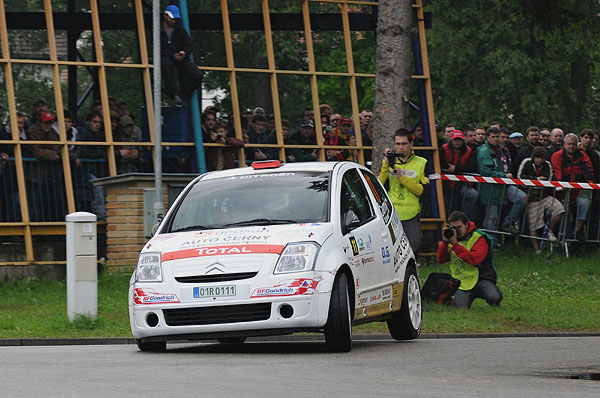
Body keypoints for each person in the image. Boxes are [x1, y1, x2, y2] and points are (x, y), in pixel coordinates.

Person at [437, 211, 502, 309]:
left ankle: (493, 300)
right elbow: (441, 260)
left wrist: (455, 245)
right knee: (460, 308)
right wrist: (445, 242)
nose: (456, 231)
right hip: (462, 281)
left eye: (459, 227)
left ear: (466, 225)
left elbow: (475, 259)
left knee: (494, 297)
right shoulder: (451, 237)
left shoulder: (479, 237)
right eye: (453, 228)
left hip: (481, 278)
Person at [378, 128, 428, 254]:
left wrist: (402, 178)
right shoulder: (390, 162)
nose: (401, 147)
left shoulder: (422, 163)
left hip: (411, 212)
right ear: (394, 145)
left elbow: (421, 190)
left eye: (404, 144)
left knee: (414, 244)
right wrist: (386, 164)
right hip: (392, 213)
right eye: (398, 144)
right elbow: (379, 185)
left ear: (411, 144)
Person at [477, 126, 527, 236]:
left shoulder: (501, 149)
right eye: (493, 137)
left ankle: (508, 223)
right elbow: (486, 171)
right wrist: (503, 175)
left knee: (522, 198)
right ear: (488, 137)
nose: (496, 139)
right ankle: (491, 242)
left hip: (504, 186)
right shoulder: (484, 151)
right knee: (491, 217)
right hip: (491, 188)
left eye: (497, 137)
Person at [517, 146, 564, 253]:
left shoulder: (547, 165)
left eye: (542, 158)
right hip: (531, 198)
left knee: (559, 209)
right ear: (533, 157)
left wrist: (538, 182)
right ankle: (537, 250)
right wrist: (536, 179)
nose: (540, 160)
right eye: (537, 157)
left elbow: (549, 179)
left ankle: (546, 230)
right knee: (533, 225)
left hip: (544, 196)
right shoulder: (526, 162)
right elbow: (520, 177)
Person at [551, 133, 595, 241]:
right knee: (564, 213)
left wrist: (591, 183)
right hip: (562, 193)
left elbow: (588, 170)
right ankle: (561, 237)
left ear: (577, 144)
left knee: (585, 204)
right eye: (569, 144)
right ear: (564, 144)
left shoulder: (582, 155)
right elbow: (557, 172)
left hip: (577, 192)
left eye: (574, 144)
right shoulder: (557, 155)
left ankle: (576, 232)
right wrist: (562, 184)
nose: (571, 147)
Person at [26, 112, 67, 221]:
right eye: (46, 123)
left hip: (47, 174)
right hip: (33, 175)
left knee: (46, 202)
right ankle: (32, 228)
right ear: (40, 122)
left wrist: (47, 152)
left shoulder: (52, 132)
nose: (48, 125)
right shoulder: (32, 131)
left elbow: (57, 148)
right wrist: (52, 154)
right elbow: (36, 151)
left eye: (50, 123)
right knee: (32, 203)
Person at [161, 4, 202, 106]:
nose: (173, 20)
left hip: (181, 58)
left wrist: (184, 52)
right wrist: (172, 55)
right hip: (167, 57)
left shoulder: (181, 30)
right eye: (171, 18)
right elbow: (158, 50)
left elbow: (188, 45)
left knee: (197, 74)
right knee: (166, 66)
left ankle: (182, 94)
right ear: (165, 16)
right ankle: (174, 95)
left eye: (174, 18)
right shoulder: (158, 31)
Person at [439, 130, 478, 220]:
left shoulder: (468, 151)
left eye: (459, 140)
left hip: (461, 184)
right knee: (447, 205)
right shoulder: (443, 149)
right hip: (445, 185)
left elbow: (472, 166)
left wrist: (456, 168)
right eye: (455, 139)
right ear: (451, 140)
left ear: (463, 140)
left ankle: (465, 220)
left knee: (473, 195)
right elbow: (440, 163)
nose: (457, 142)